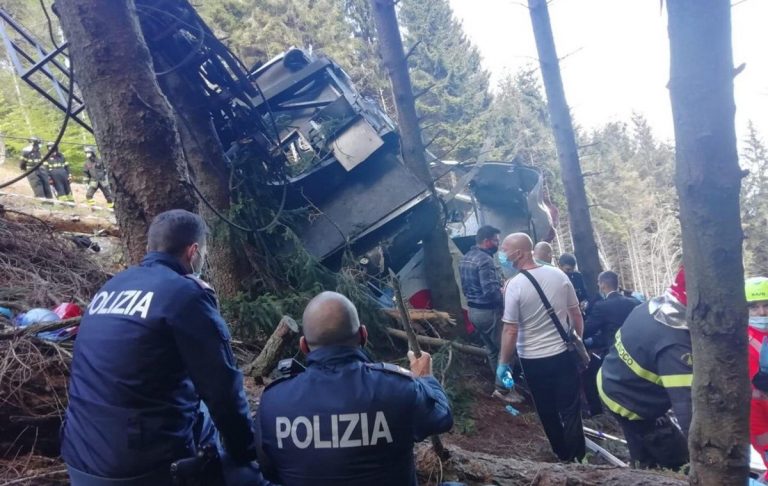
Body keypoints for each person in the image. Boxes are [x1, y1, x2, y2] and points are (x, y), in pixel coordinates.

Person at [61, 209, 268, 485]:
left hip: (80, 455)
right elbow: (223, 390)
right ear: (193, 252)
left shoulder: (110, 288)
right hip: (140, 468)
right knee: (242, 469)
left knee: (200, 414)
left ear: (150, 247)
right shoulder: (185, 295)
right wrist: (248, 453)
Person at [258, 291, 453, 486]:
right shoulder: (398, 389)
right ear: (363, 335)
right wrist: (425, 378)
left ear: (304, 346)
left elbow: (263, 468)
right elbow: (442, 417)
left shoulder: (273, 402)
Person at [497, 233, 586, 462]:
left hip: (533, 360)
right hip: (563, 355)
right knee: (570, 409)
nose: (502, 254)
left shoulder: (514, 286)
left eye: (504, 249)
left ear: (519, 253)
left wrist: (503, 364)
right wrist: (577, 340)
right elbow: (575, 313)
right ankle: (579, 457)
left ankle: (562, 456)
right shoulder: (558, 275)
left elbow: (510, 330)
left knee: (547, 411)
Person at [597, 267, 691, 470]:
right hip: (633, 403)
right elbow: (688, 411)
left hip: (612, 381)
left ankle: (642, 466)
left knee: (641, 452)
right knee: (677, 459)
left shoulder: (648, 307)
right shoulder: (676, 346)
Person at [458, 225, 523, 403]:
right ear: (486, 242)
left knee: (493, 351)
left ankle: (501, 386)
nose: (498, 244)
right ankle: (504, 390)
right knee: (507, 352)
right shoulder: (485, 261)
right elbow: (490, 292)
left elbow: (465, 288)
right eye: (496, 240)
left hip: (474, 311)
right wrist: (505, 296)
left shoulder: (466, 258)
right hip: (489, 313)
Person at [581, 271, 641, 417]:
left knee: (588, 375)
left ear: (602, 284)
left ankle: (596, 411)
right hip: (637, 351)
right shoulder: (634, 302)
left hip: (615, 352)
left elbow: (587, 330)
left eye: (598, 282)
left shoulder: (602, 306)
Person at [746, 277, 768, 474]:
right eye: (754, 307)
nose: (762, 312)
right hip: (759, 414)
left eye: (766, 305)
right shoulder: (738, 339)